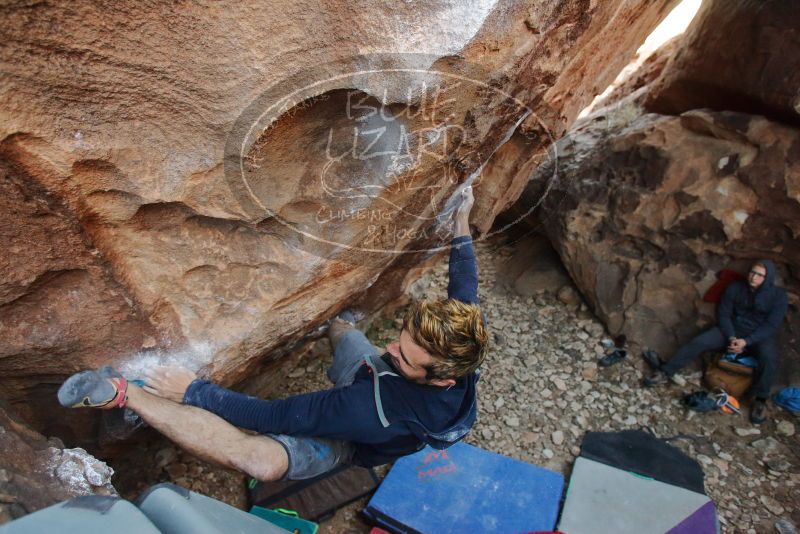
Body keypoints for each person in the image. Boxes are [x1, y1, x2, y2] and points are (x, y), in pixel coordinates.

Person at [58, 187, 488, 481]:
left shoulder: (363, 408)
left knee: (259, 460)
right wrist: (462, 218)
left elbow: (271, 417)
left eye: (405, 356)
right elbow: (464, 283)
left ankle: (121, 391)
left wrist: (195, 390)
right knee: (344, 334)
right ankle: (339, 326)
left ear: (444, 379)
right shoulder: (461, 341)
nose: (390, 347)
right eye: (400, 337)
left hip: (354, 438)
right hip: (379, 389)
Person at [644, 259, 787, 424]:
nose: (754, 277)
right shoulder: (736, 288)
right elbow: (724, 314)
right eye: (752, 272)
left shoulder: (778, 297)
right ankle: (666, 372)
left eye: (760, 275)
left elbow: (771, 325)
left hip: (758, 336)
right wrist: (732, 337)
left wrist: (747, 341)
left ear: (767, 278)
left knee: (769, 357)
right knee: (699, 341)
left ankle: (760, 400)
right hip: (732, 330)